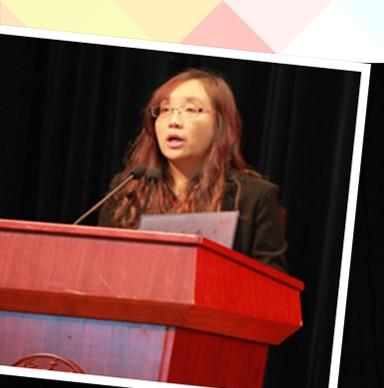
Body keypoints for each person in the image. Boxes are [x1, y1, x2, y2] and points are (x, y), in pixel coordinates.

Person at [98, 69, 287, 273]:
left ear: (220, 123)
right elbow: (100, 268)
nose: (174, 121)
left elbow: (272, 286)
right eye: (165, 110)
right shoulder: (129, 189)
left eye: (190, 109)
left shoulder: (253, 198)